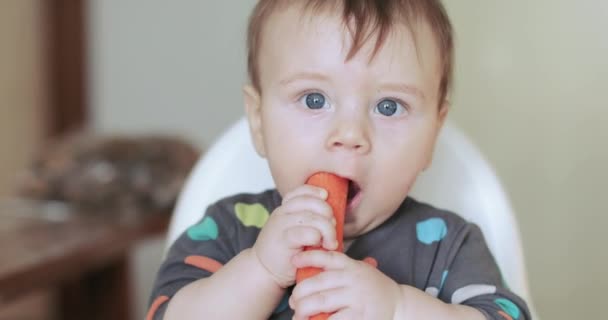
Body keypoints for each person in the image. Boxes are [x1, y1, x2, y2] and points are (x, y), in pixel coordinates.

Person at [148, 1, 531, 319]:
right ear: (259, 121)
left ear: (432, 134)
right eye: (314, 100)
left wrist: (398, 309)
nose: (350, 134)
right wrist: (260, 272)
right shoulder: (227, 231)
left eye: (389, 106)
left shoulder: (449, 246)